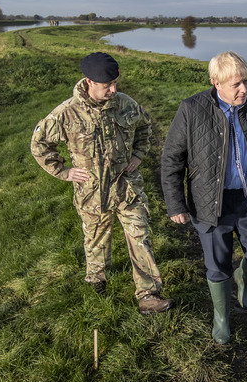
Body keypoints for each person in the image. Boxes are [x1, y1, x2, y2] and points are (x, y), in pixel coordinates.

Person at [161, 51, 247, 345]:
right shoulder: (192, 109)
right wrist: (175, 204)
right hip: (211, 203)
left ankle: (243, 279)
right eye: (235, 84)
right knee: (217, 265)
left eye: (245, 81)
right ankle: (222, 317)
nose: (243, 89)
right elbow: (172, 160)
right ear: (216, 83)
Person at [31, 52, 173, 315]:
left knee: (140, 236)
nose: (113, 89)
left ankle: (148, 294)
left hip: (127, 188)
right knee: (96, 240)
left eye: (115, 83)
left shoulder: (126, 104)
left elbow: (145, 128)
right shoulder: (66, 113)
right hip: (92, 194)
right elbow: (39, 144)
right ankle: (96, 282)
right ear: (88, 82)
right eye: (107, 85)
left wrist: (138, 155)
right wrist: (64, 171)